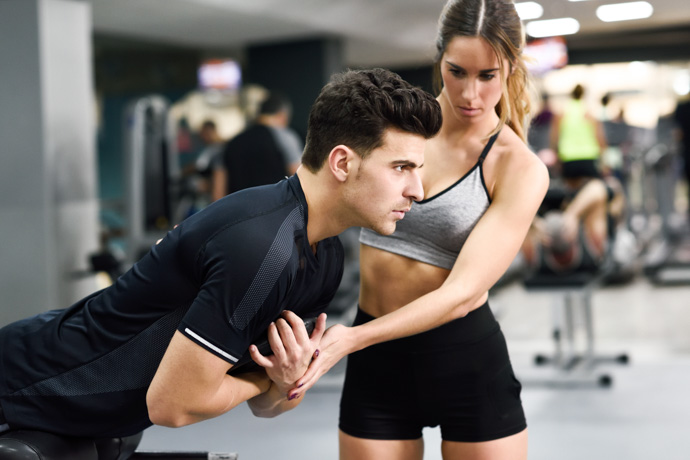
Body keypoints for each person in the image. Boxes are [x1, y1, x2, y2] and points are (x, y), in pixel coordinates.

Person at [0, 69, 442, 444]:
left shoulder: (324, 257)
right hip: (20, 385)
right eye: (401, 168)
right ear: (342, 163)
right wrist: (263, 382)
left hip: (84, 420)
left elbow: (272, 406)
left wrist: (282, 382)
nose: (416, 191)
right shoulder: (259, 248)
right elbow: (173, 405)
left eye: (417, 171)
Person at [289, 1, 550, 459]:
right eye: (457, 71)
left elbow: (465, 293)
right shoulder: (389, 129)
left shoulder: (517, 166)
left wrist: (352, 339)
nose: (470, 93)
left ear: (510, 67)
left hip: (464, 359)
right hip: (378, 367)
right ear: (439, 58)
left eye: (488, 75)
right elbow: (312, 195)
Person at [212, 91, 304, 200]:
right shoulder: (284, 137)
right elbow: (300, 178)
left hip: (241, 212)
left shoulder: (231, 143)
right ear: (282, 116)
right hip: (276, 211)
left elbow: (218, 193)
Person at [550, 84, 608, 180]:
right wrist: (604, 160)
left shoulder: (562, 112)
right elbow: (599, 137)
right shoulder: (589, 113)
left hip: (568, 157)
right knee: (591, 189)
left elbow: (555, 137)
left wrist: (556, 155)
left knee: (571, 191)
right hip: (589, 156)